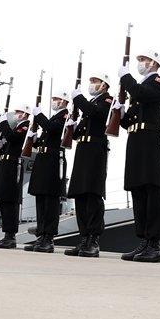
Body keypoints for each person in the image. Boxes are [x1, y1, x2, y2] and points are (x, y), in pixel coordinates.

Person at [118, 51, 160, 263]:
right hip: (135, 138)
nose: (141, 64)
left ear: (154, 63)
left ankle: (154, 244)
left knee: (151, 188)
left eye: (144, 60)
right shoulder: (138, 88)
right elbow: (127, 122)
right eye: (139, 61)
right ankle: (144, 240)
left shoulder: (158, 81)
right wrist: (120, 113)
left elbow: (142, 94)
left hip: (150, 137)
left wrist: (126, 78)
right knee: (137, 188)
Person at [64, 73, 112, 258]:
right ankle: (83, 238)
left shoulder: (106, 100)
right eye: (90, 81)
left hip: (95, 149)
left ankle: (93, 240)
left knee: (92, 193)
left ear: (104, 85)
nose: (91, 84)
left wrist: (79, 98)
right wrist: (72, 126)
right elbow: (78, 134)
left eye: (95, 81)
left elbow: (97, 113)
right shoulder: (90, 104)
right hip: (83, 149)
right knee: (80, 195)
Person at [24, 93, 69, 253]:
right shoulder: (53, 117)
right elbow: (46, 136)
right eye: (54, 99)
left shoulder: (64, 115)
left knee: (50, 200)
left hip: (53, 160)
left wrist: (39, 115)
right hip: (43, 159)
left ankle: (48, 238)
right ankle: (41, 235)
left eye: (57, 99)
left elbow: (53, 129)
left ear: (64, 101)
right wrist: (34, 139)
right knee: (41, 198)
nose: (54, 102)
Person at [0, 108, 30, 249]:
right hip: (6, 165)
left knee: (10, 201)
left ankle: (10, 236)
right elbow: (8, 141)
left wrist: (3, 123)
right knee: (5, 201)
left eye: (19, 112)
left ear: (25, 114)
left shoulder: (24, 126)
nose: (16, 114)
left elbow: (13, 138)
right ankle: (6, 234)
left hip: (14, 166)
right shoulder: (16, 127)